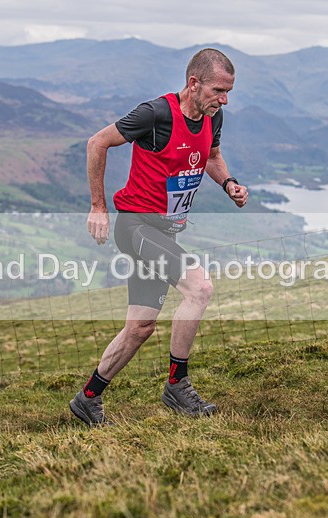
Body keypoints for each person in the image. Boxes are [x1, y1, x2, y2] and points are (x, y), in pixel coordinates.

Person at [70, 48, 248, 427]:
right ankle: (177, 386)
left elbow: (212, 157)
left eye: (229, 91)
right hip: (136, 227)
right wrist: (98, 206)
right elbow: (96, 143)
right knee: (199, 288)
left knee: (139, 328)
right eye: (218, 90)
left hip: (163, 231)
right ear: (193, 83)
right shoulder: (156, 114)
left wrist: (228, 183)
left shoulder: (213, 118)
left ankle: (88, 398)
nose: (224, 99)